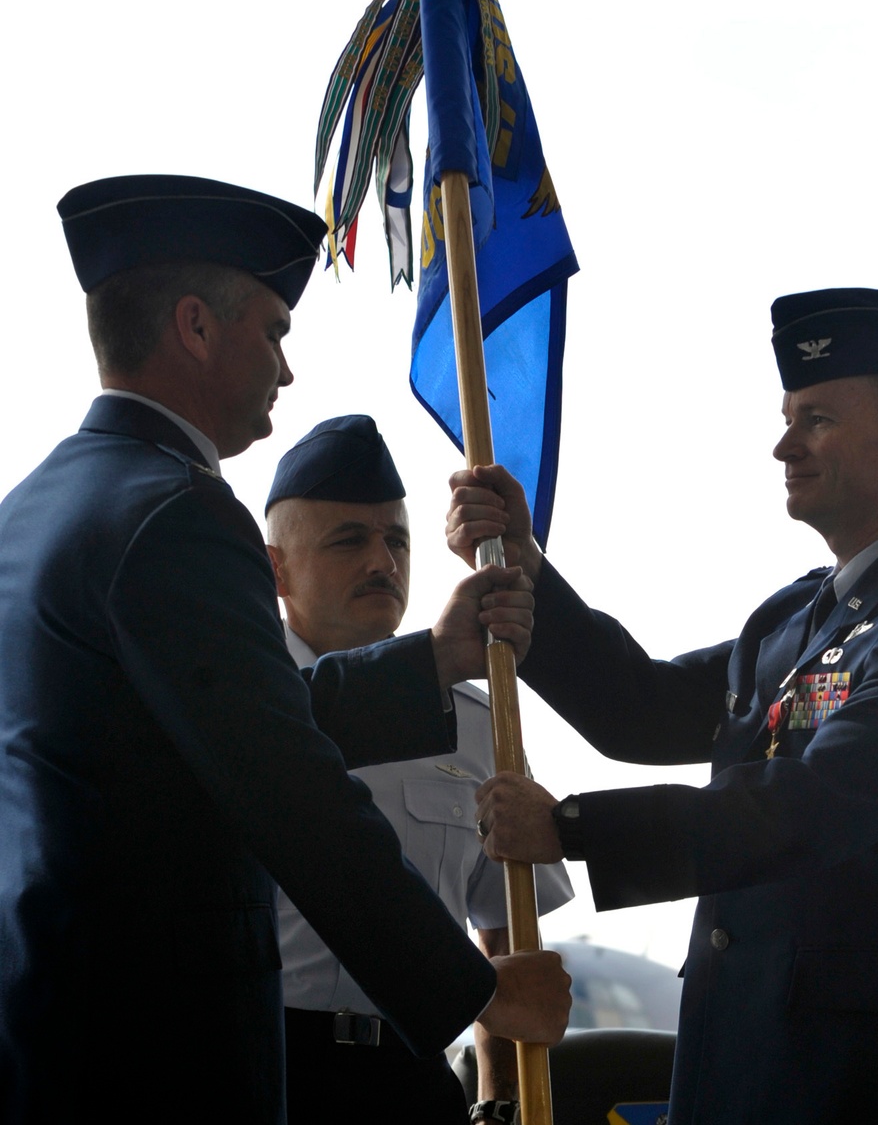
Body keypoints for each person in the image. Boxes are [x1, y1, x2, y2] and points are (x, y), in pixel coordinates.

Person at [0, 174, 570, 1125]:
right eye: (274, 331)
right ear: (195, 326)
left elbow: (210, 725)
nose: (286, 370)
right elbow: (288, 786)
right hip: (153, 1061)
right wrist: (477, 994)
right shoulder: (177, 511)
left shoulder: (34, 512)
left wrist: (425, 662)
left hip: (56, 1033)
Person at [448, 287, 878, 1125]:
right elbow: (642, 709)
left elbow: (814, 806)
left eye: (816, 419)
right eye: (788, 417)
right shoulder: (793, 617)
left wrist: (570, 830)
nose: (784, 445)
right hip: (742, 1067)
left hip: (868, 1086)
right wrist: (522, 564)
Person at [264, 415, 574, 1124]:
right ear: (274, 568)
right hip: (268, 1065)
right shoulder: (231, 711)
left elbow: (506, 937)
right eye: (350, 540)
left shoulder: (480, 723)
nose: (383, 561)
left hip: (410, 1075)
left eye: (396, 540)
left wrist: (500, 1102)